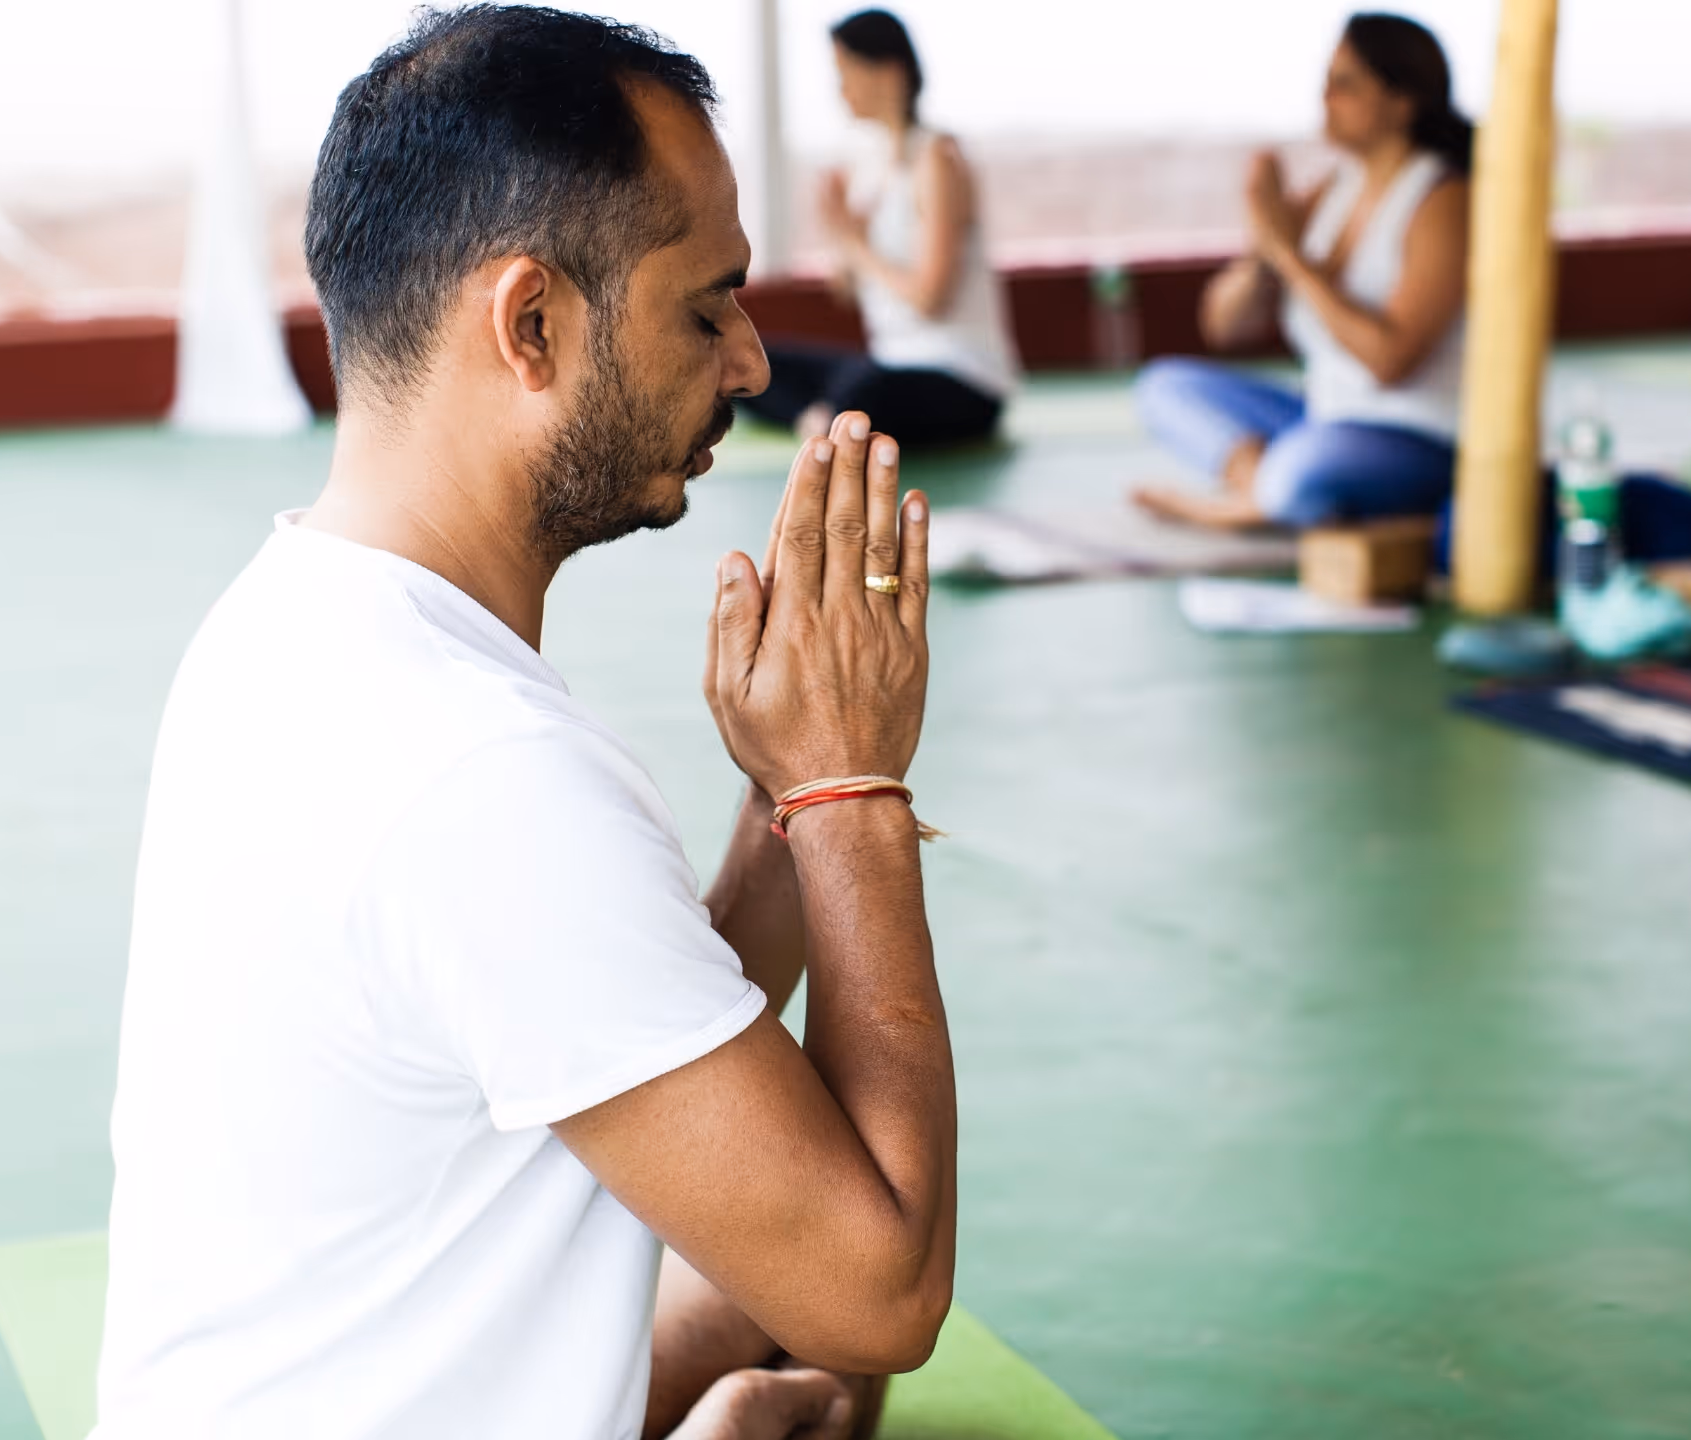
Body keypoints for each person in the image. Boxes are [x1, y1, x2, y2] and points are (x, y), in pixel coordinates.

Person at [93, 9, 953, 1439]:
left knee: (758, 1313)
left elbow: (592, 1022)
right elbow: (884, 1291)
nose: (751, 363)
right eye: (707, 308)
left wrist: (775, 800)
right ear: (532, 324)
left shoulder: (294, 615)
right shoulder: (479, 772)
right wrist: (851, 787)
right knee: (826, 1322)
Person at [1131, 12, 1472, 531]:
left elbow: (1390, 362)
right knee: (1164, 388)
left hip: (1415, 437)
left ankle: (1249, 505)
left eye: (1345, 84)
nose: (1325, 97)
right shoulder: (1334, 189)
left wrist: (1292, 258)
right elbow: (1223, 327)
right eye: (1326, 81)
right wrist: (1263, 249)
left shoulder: (1441, 199)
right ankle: (1264, 495)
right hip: (1324, 420)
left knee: (1304, 473)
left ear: (1401, 103)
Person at [741, 9, 1018, 447]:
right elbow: (846, 290)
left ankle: (830, 418)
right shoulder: (868, 165)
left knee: (862, 392)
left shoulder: (937, 159)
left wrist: (856, 243)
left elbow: (930, 299)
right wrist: (840, 231)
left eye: (846, 72)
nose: (841, 90)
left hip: (960, 376)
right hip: (889, 362)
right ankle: (823, 419)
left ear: (888, 72)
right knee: (751, 366)